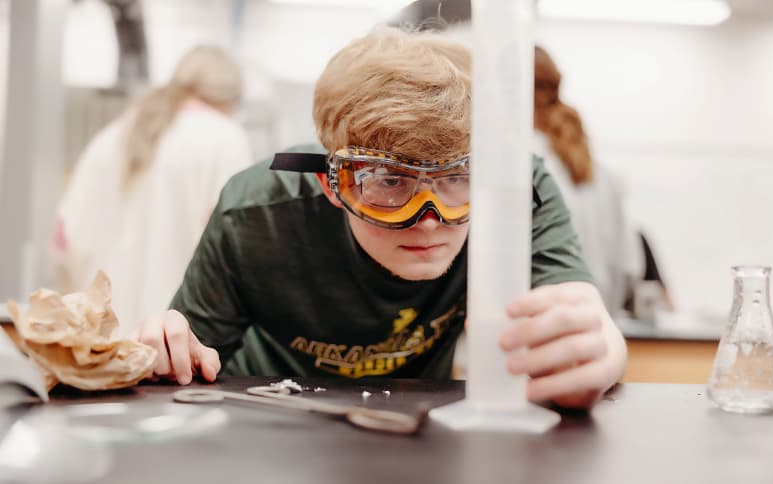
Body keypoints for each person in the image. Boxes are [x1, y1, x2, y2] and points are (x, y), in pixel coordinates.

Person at [133, 28, 627, 410]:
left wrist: (603, 351)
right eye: (389, 182)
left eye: (458, 177)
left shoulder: (516, 189)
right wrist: (165, 352)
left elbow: (586, 319)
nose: (429, 220)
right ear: (331, 184)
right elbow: (184, 364)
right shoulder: (256, 213)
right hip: (273, 418)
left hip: (413, 428)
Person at [52, 45, 254, 334]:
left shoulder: (114, 133)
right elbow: (235, 247)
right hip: (175, 341)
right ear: (231, 97)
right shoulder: (226, 138)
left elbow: (66, 241)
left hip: (102, 340)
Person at [532, 45, 642, 316]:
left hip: (541, 323)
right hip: (598, 323)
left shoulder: (521, 163)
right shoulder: (599, 171)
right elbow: (631, 266)